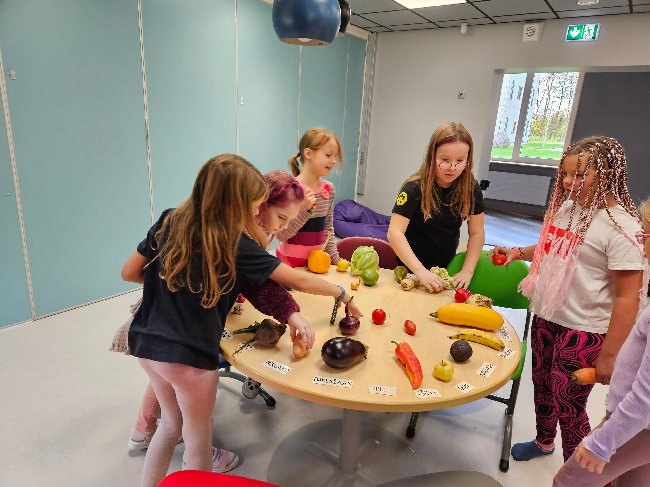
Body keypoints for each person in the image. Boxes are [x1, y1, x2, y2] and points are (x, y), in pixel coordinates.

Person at [122, 156, 361, 487]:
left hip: (145, 346)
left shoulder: (169, 219)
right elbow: (299, 280)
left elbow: (130, 272)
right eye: (253, 205)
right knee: (198, 443)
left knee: (170, 425)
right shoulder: (235, 243)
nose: (256, 212)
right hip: (189, 359)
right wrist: (342, 293)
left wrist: (172, 288)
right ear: (234, 202)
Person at [487, 136, 645, 462]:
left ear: (606, 175)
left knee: (569, 404)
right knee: (543, 387)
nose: (568, 182)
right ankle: (544, 442)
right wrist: (517, 252)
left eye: (579, 175)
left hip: (585, 330)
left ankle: (580, 475)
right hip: (548, 316)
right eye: (566, 174)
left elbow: (628, 297)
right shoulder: (569, 209)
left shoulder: (621, 228)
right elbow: (552, 244)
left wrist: (610, 355)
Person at [552, 196, 650, 486]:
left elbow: (645, 400)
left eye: (646, 236)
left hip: (637, 425)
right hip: (637, 423)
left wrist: (601, 444)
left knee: (568, 482)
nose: (641, 244)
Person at [387, 122, 485, 292]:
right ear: (432, 156)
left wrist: (467, 271)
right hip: (411, 271)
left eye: (460, 161)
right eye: (445, 160)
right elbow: (394, 233)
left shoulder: (471, 188)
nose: (452, 167)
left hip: (446, 269)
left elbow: (477, 233)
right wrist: (420, 271)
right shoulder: (414, 188)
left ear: (468, 159)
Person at [276, 127, 343, 267]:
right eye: (328, 155)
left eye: (335, 156)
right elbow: (282, 235)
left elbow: (328, 230)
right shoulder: (290, 188)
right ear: (308, 153)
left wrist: (336, 259)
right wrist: (304, 210)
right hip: (289, 265)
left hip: (317, 265)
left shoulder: (329, 189)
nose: (334, 161)